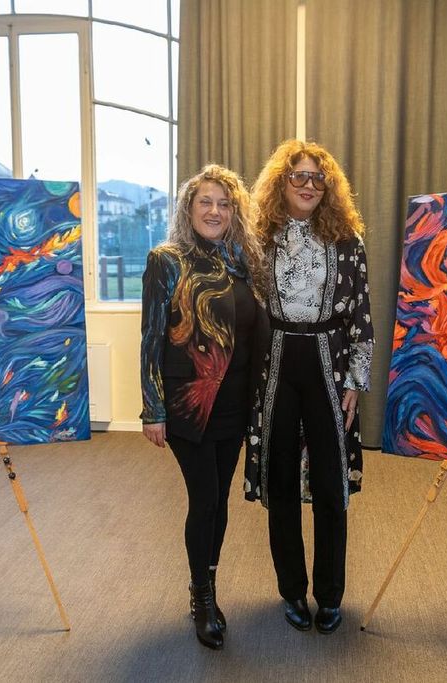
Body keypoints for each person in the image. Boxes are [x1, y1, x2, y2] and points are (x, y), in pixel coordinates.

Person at [244, 140, 373, 635]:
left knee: (330, 482)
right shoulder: (260, 239)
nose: (308, 185)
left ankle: (330, 593)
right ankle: (292, 591)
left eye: (318, 178)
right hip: (275, 362)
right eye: (298, 176)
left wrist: (357, 379)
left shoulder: (347, 240)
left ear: (328, 187)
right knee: (280, 480)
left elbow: (361, 313)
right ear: (281, 182)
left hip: (329, 363)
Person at [140, 164, 268, 650]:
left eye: (223, 204)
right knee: (206, 498)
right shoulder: (166, 260)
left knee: (220, 500)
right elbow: (151, 338)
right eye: (205, 203)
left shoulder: (242, 263)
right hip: (189, 405)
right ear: (188, 209)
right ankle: (202, 597)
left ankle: (207, 581)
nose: (214, 211)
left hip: (235, 405)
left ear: (234, 212)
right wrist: (152, 409)